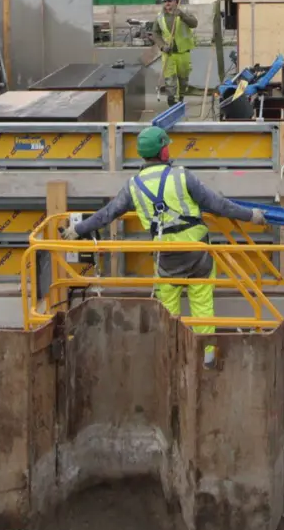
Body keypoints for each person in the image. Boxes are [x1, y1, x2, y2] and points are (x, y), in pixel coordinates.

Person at [63, 124, 267, 368]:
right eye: (167, 146)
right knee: (202, 305)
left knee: (167, 308)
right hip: (198, 253)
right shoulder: (182, 176)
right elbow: (218, 205)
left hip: (166, 258)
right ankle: (207, 359)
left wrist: (77, 229)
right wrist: (251, 215)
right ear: (163, 152)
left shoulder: (133, 186)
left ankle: (168, 359)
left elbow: (107, 214)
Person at [154, 0, 198, 105]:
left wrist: (182, 15)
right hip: (168, 54)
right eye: (165, 1)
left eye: (170, 1)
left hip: (183, 53)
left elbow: (194, 24)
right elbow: (156, 34)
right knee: (170, 80)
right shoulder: (159, 17)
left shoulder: (184, 12)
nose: (167, 3)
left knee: (183, 80)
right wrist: (162, 46)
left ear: (175, 1)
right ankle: (171, 102)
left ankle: (181, 98)